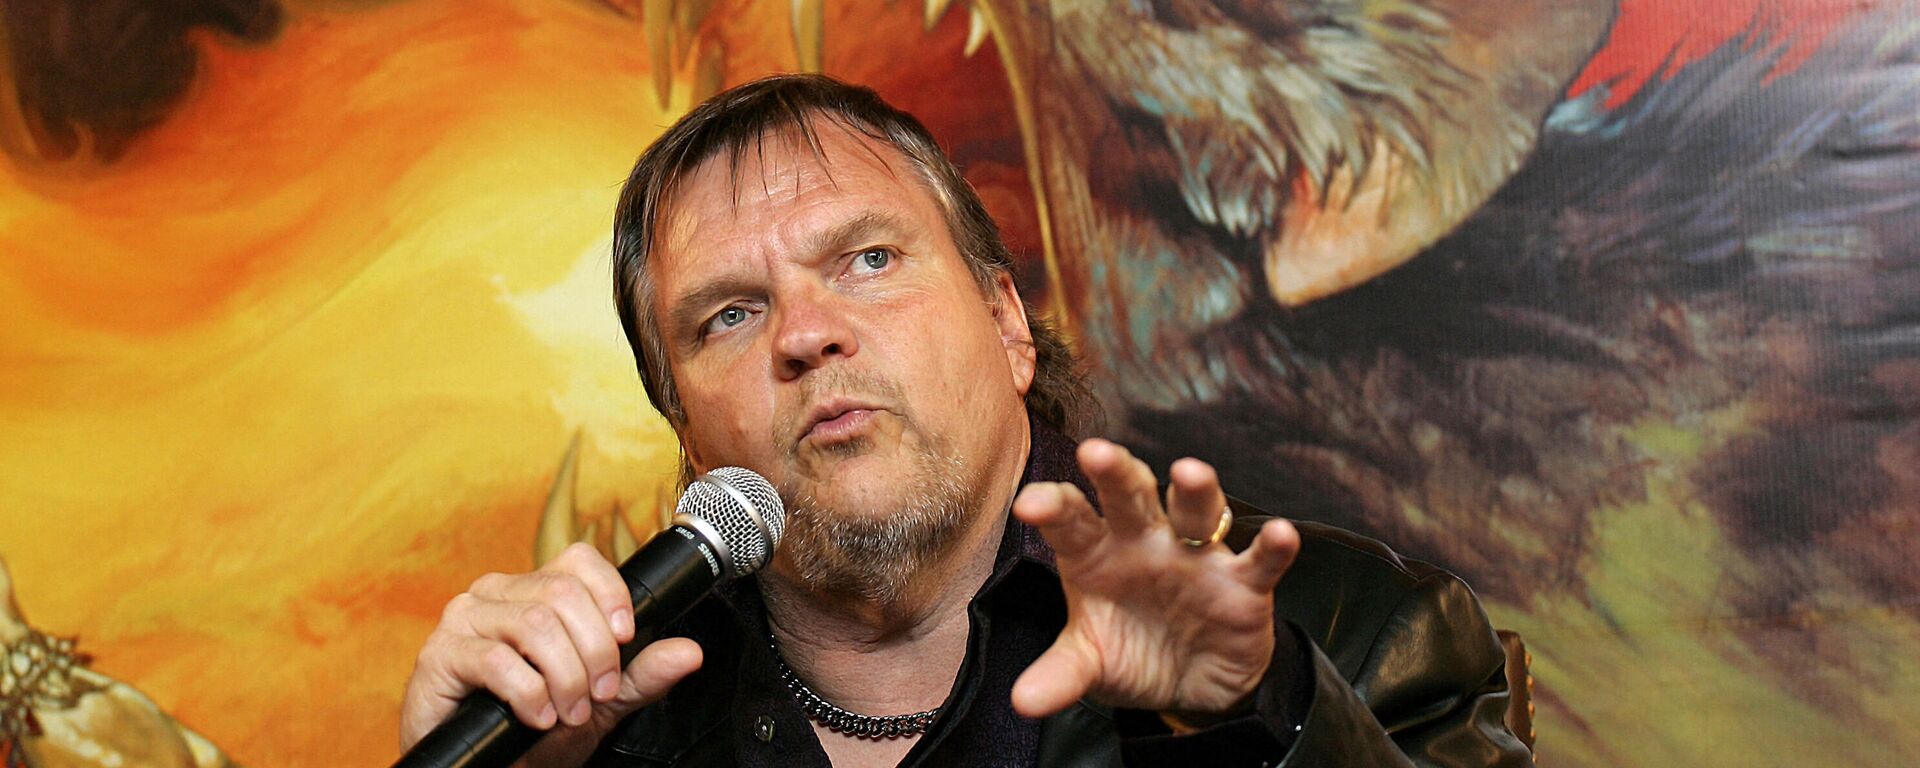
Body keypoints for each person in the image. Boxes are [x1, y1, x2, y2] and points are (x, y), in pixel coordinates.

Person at [400, 74, 1529, 767]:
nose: (806, 333)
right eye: (729, 316)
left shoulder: (1361, 635)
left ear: (1006, 324)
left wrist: (1268, 714)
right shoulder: (592, 727)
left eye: (870, 259)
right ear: (690, 439)